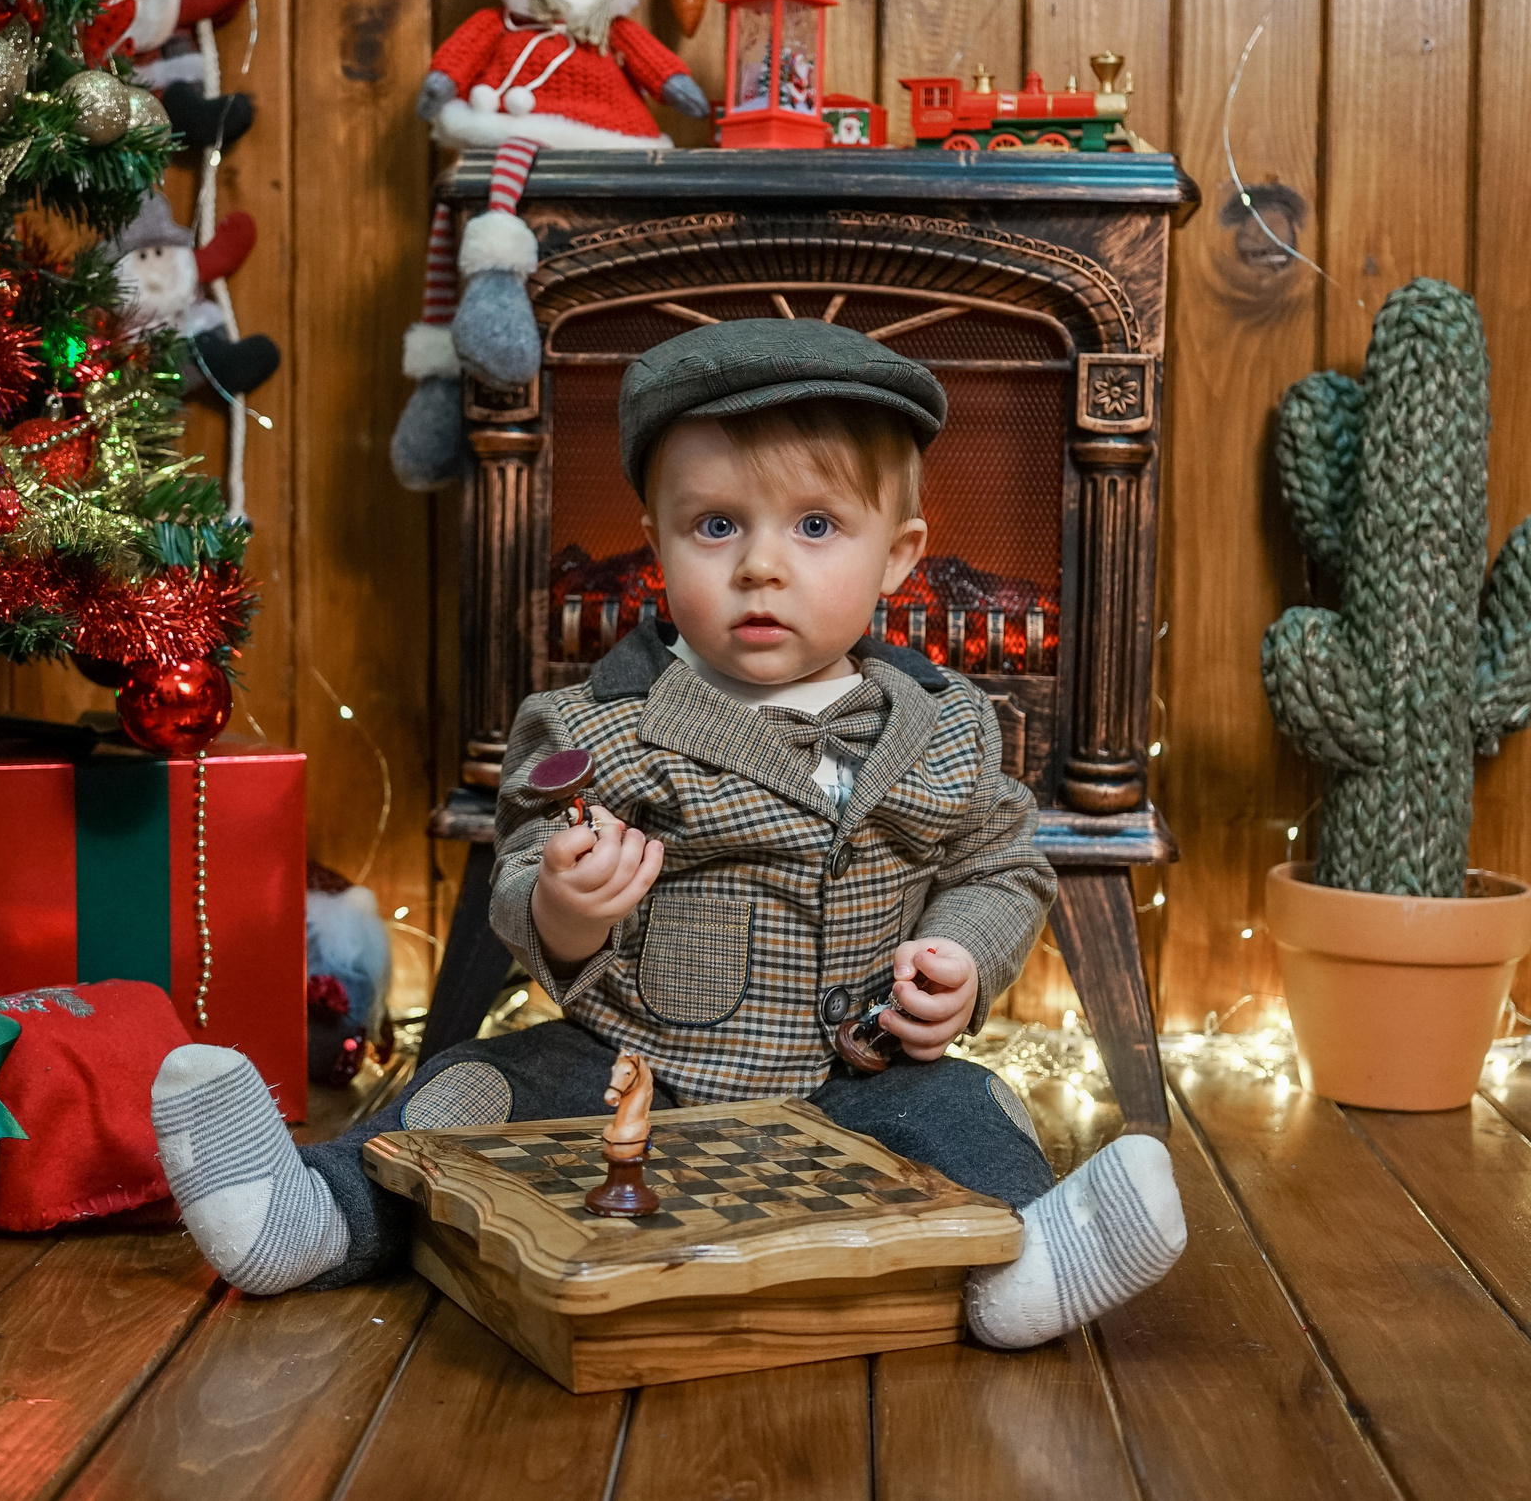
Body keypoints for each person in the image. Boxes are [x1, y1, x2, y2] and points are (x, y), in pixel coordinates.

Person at [153, 320, 1187, 1346]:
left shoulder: (944, 724)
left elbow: (999, 864)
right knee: (470, 1087)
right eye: (717, 526)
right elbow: (527, 858)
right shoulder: (602, 727)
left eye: (816, 526)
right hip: (629, 1066)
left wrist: (961, 954)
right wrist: (564, 906)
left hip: (856, 1081)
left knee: (973, 1106)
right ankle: (315, 1216)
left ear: (897, 557)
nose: (761, 567)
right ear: (655, 545)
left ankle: (1020, 1267)